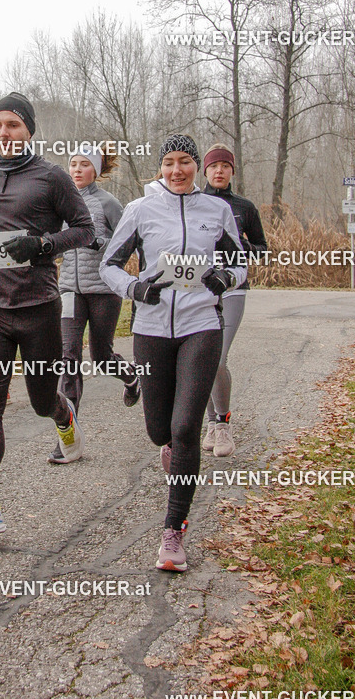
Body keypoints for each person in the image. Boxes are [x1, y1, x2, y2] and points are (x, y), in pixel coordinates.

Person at [100, 133, 246, 572]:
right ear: (160, 166)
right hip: (150, 329)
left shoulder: (217, 210)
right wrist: (136, 287)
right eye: (169, 162)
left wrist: (225, 280)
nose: (177, 170)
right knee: (159, 429)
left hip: (202, 325)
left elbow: (239, 262)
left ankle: (174, 532)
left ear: (197, 166)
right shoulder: (139, 210)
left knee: (185, 428)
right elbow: (108, 265)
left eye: (185, 161)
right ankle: (171, 449)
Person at [0, 93, 94, 536]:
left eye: (13, 125)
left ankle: (63, 415)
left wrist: (41, 244)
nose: (4, 133)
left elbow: (85, 230)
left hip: (38, 308)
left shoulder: (51, 177)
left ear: (29, 130)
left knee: (39, 402)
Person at [48, 143, 141, 464]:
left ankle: (131, 377)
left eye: (84, 164)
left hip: (103, 290)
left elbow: (131, 241)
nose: (76, 169)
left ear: (97, 171)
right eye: (72, 163)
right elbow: (55, 244)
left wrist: (106, 245)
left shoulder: (109, 203)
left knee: (101, 356)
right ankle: (68, 436)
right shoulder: (61, 204)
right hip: (70, 290)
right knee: (68, 357)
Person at [202, 143, 268, 457]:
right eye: (214, 166)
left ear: (231, 171)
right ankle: (210, 423)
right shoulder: (194, 202)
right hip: (197, 289)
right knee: (201, 360)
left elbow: (262, 251)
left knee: (218, 357)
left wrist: (241, 244)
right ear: (205, 170)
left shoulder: (245, 207)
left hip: (233, 289)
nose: (219, 171)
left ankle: (222, 424)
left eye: (225, 166)